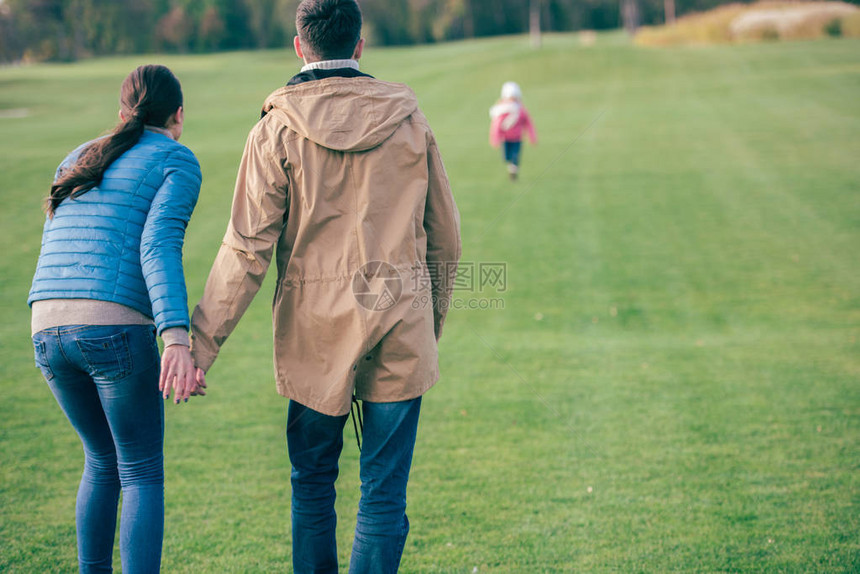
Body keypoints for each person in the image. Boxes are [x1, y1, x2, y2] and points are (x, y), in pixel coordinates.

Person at [188, 0, 461, 571]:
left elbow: (246, 251)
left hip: (313, 336)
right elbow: (445, 238)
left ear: (299, 46)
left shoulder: (275, 130)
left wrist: (199, 347)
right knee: (383, 495)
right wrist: (427, 326)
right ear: (359, 46)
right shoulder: (409, 120)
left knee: (312, 487)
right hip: (401, 328)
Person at [28, 64, 205, 574]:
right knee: (141, 470)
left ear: (123, 111)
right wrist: (175, 337)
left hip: (45, 328)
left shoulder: (78, 156)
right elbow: (158, 245)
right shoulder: (176, 158)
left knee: (102, 462)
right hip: (113, 329)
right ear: (178, 114)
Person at [489, 81, 537, 181]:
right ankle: (511, 166)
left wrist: (532, 136)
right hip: (506, 139)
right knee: (506, 157)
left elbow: (528, 123)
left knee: (515, 155)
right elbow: (496, 125)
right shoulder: (502, 110)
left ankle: (513, 170)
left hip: (517, 138)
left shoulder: (520, 110)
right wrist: (495, 139)